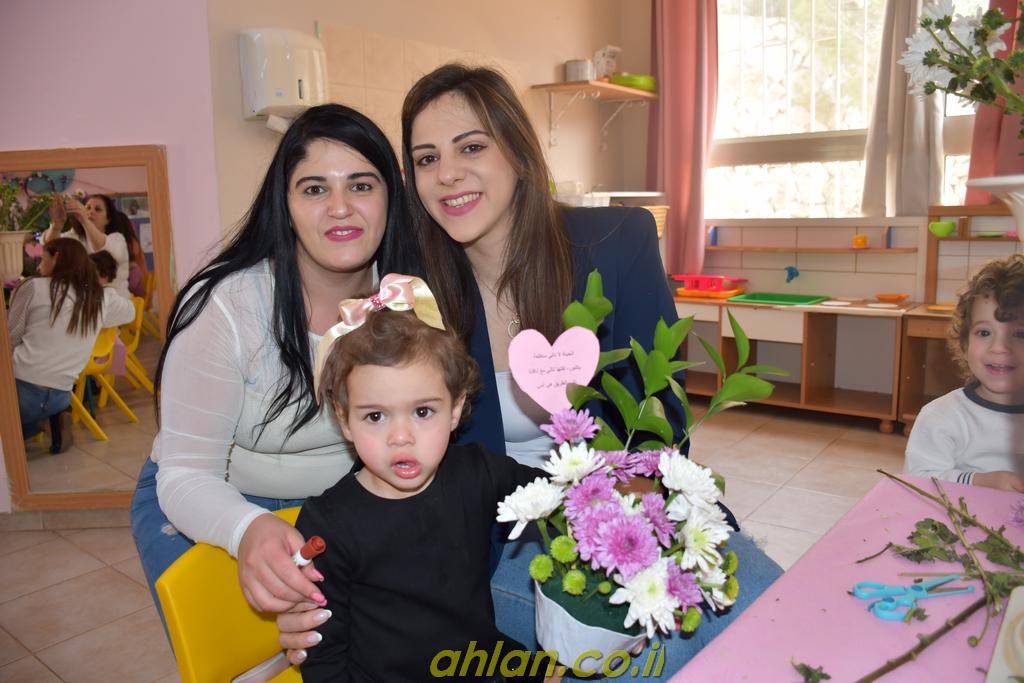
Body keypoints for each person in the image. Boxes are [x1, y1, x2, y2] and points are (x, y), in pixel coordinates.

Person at [279, 64, 783, 680]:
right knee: (652, 656)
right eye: (427, 158)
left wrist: (624, 511)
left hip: (627, 509)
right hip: (503, 547)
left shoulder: (615, 243)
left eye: (471, 147)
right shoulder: (417, 292)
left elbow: (662, 417)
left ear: (518, 153)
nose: (448, 173)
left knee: (762, 606)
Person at [129, 103, 418, 630]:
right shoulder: (227, 304)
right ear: (284, 206)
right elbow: (187, 473)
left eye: (360, 185)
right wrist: (247, 529)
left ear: (390, 199)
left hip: (345, 504)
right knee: (246, 662)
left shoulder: (412, 299)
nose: (339, 208)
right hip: (212, 503)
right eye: (314, 189)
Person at [298, 286, 548, 681]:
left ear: (456, 408)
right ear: (345, 420)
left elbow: (555, 494)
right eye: (375, 416)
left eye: (422, 412)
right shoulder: (329, 524)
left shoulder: (476, 472)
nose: (401, 437)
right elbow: (323, 655)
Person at [905, 253, 1024, 490]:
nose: (1000, 348)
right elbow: (918, 481)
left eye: (1020, 334)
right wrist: (980, 481)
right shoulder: (942, 417)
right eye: (984, 333)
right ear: (964, 343)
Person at [8, 238, 134, 454]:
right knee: (20, 422)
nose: (39, 266)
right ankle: (45, 421)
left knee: (12, 424)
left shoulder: (33, 287)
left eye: (43, 259)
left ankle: (38, 424)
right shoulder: (99, 297)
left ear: (56, 258)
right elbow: (130, 312)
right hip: (62, 395)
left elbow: (10, 338)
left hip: (21, 392)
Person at [44, 193, 135, 299]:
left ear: (108, 219)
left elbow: (102, 248)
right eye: (88, 208)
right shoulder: (75, 236)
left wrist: (85, 220)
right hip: (83, 301)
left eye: (98, 209)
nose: (91, 212)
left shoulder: (117, 239)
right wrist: (56, 225)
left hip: (114, 301)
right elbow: (52, 246)